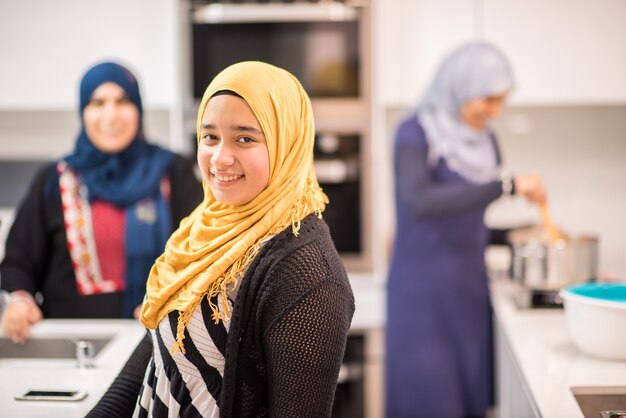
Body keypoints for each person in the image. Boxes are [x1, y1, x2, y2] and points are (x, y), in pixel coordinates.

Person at [87, 61, 355, 417]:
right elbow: (158, 351)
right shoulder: (203, 231)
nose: (220, 158)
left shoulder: (307, 273)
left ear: (286, 142)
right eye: (210, 137)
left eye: (245, 138)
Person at [385, 42, 547, 417]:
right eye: (487, 99)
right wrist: (504, 186)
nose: (495, 111)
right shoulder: (414, 133)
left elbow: (468, 224)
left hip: (470, 299)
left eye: (501, 100)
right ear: (460, 86)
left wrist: (519, 233)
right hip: (422, 300)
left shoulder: (487, 141)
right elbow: (419, 202)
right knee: (431, 404)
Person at [0, 62, 203, 343]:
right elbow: (18, 262)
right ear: (83, 111)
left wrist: (171, 296)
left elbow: (203, 252)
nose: (111, 115)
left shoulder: (173, 172)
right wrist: (20, 300)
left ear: (138, 109)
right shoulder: (54, 180)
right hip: (72, 346)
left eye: (122, 101)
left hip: (160, 341)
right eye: (98, 103)